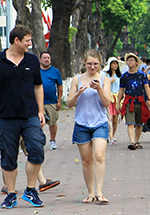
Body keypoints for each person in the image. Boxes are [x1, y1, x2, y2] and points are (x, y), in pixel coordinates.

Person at [0, 24, 46, 209]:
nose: (29, 44)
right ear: (16, 41)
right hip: (6, 117)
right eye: (27, 41)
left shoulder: (31, 61)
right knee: (8, 156)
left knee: (37, 150)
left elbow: (38, 86)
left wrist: (40, 111)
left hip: (30, 115)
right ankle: (11, 194)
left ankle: (31, 190)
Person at [66, 50, 113, 204]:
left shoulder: (104, 80)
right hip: (82, 124)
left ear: (100, 64)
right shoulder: (76, 79)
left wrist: (98, 88)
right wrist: (78, 93)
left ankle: (100, 192)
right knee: (86, 160)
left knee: (99, 155)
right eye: (89, 64)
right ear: (84, 64)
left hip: (100, 122)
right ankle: (91, 192)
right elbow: (69, 103)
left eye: (95, 64)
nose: (92, 67)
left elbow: (107, 103)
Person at [117, 53, 150, 150]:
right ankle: (132, 142)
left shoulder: (142, 75)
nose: (130, 62)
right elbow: (121, 90)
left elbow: (146, 87)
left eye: (132, 60)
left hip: (140, 100)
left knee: (139, 123)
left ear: (136, 62)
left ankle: (137, 141)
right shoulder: (124, 76)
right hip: (129, 101)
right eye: (128, 60)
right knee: (130, 122)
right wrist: (118, 103)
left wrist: (149, 99)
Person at [39, 50, 63, 150]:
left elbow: (60, 86)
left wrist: (59, 101)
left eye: (48, 58)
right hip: (38, 102)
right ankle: (37, 141)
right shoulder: (35, 71)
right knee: (38, 123)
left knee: (52, 122)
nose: (46, 59)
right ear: (40, 60)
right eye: (44, 58)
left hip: (52, 102)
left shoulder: (55, 71)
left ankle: (52, 140)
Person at [103, 57, 122, 146]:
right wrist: (110, 81)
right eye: (113, 63)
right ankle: (110, 137)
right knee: (109, 118)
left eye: (116, 63)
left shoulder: (119, 76)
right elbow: (103, 84)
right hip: (109, 98)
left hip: (117, 98)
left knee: (115, 119)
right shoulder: (105, 74)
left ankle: (112, 136)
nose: (115, 65)